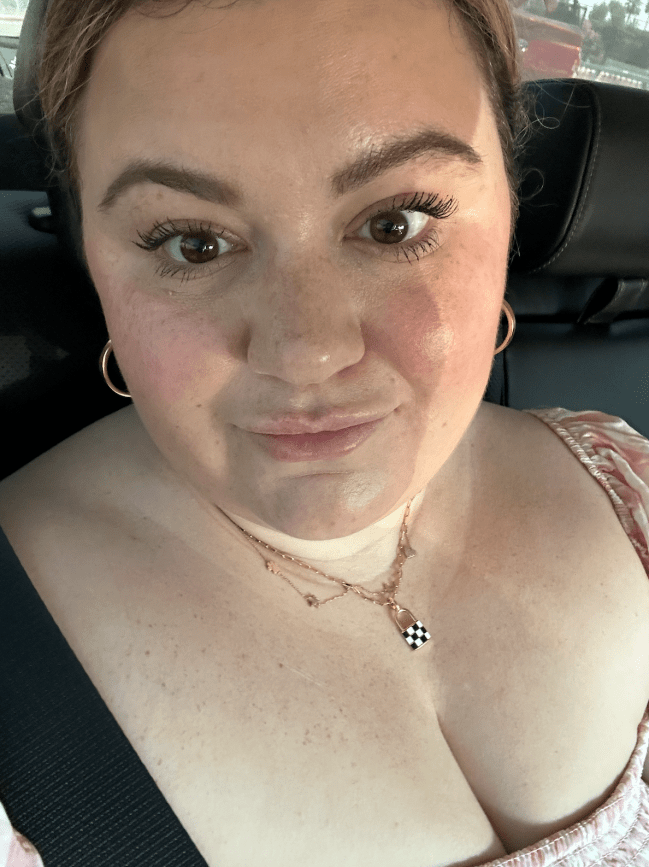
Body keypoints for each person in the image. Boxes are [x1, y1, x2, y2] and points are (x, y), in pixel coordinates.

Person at [1, 0, 649, 865]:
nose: (305, 353)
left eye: (394, 223)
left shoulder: (626, 486)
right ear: (91, 255)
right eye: (192, 244)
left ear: (508, 210)